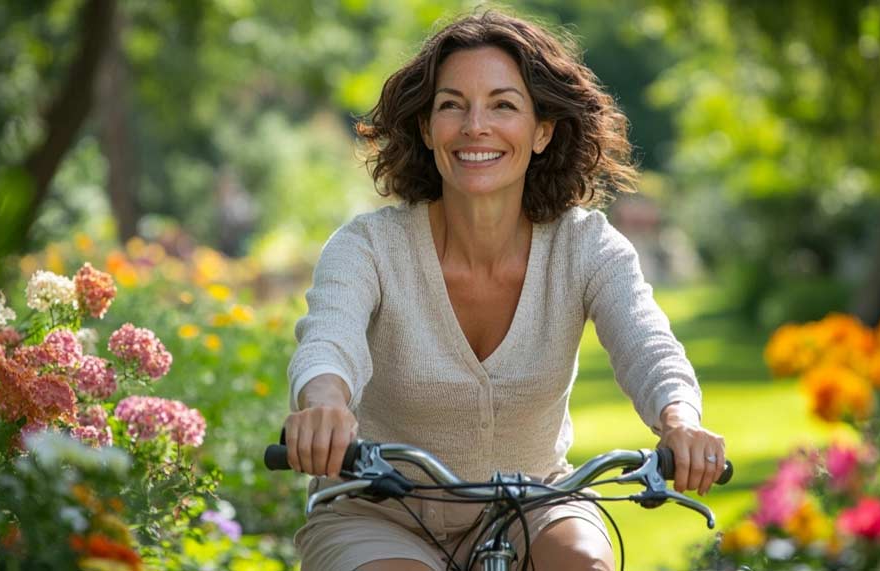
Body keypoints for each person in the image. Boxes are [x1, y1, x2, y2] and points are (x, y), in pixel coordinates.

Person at [283, 9, 725, 571]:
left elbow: (648, 345)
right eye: (452, 105)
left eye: (503, 104)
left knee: (584, 564)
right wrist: (324, 406)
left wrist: (679, 421)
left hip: (536, 502)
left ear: (542, 131)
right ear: (427, 128)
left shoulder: (585, 246)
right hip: (377, 511)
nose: (475, 127)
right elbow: (328, 340)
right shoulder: (368, 247)